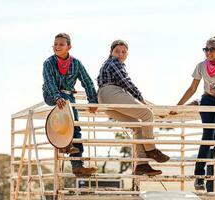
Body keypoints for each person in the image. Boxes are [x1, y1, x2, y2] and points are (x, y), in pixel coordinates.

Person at [170, 36, 215, 190]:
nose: (208, 52)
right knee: (207, 135)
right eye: (206, 49)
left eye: (212, 49)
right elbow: (192, 88)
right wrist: (178, 106)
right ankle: (199, 175)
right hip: (208, 98)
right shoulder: (201, 66)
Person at [97, 40, 170, 176]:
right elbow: (126, 82)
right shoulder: (114, 62)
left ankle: (142, 164)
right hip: (111, 93)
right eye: (117, 51)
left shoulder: (107, 64)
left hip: (104, 99)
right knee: (147, 113)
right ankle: (151, 149)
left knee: (137, 126)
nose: (120, 54)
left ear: (127, 54)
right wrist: (141, 99)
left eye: (123, 52)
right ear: (111, 53)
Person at [42, 33, 98, 177]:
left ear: (69, 47)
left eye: (61, 44)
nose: (57, 47)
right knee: (69, 109)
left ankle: (77, 166)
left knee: (76, 127)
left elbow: (87, 81)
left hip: (68, 97)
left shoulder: (76, 63)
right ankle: (65, 145)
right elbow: (49, 82)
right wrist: (56, 97)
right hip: (51, 94)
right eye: (55, 44)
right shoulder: (48, 63)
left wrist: (92, 100)